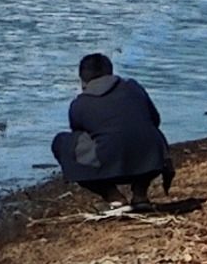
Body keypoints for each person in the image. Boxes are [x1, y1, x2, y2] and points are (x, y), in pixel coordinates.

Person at [51, 53, 175, 215]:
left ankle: (114, 197)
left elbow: (79, 135)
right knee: (147, 133)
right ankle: (140, 195)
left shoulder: (80, 104)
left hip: (109, 163)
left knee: (62, 142)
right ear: (111, 72)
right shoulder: (133, 87)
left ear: (82, 80)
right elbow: (155, 119)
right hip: (150, 160)